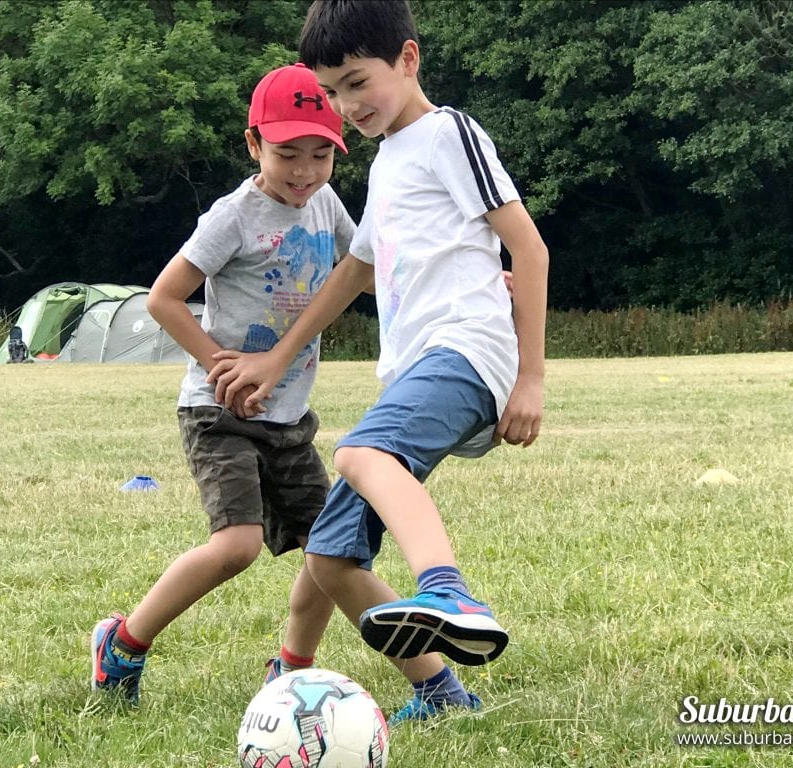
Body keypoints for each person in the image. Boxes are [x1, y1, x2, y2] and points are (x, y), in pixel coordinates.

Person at [208, 0, 549, 722]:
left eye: (358, 82)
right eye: (332, 91)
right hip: (419, 372)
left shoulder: (446, 132)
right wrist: (275, 363)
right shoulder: (390, 160)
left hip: (465, 353)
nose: (347, 106)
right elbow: (350, 276)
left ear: (408, 59)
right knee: (329, 556)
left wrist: (531, 378)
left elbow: (531, 248)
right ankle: (440, 692)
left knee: (360, 450)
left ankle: (447, 588)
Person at [90, 62, 354, 704]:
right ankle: (123, 643)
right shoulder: (233, 216)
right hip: (220, 411)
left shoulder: (326, 204)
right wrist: (217, 362)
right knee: (236, 545)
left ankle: (292, 670)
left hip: (289, 416)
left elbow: (370, 265)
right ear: (253, 144)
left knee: (332, 553)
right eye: (288, 153)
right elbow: (163, 299)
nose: (305, 170)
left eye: (322, 154)